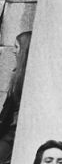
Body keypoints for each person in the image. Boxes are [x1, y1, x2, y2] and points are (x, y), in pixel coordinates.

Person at [0, 31, 30, 164]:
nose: (13, 51)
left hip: (13, 132)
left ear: (25, 49)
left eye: (16, 47)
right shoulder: (17, 74)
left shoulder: (26, 77)